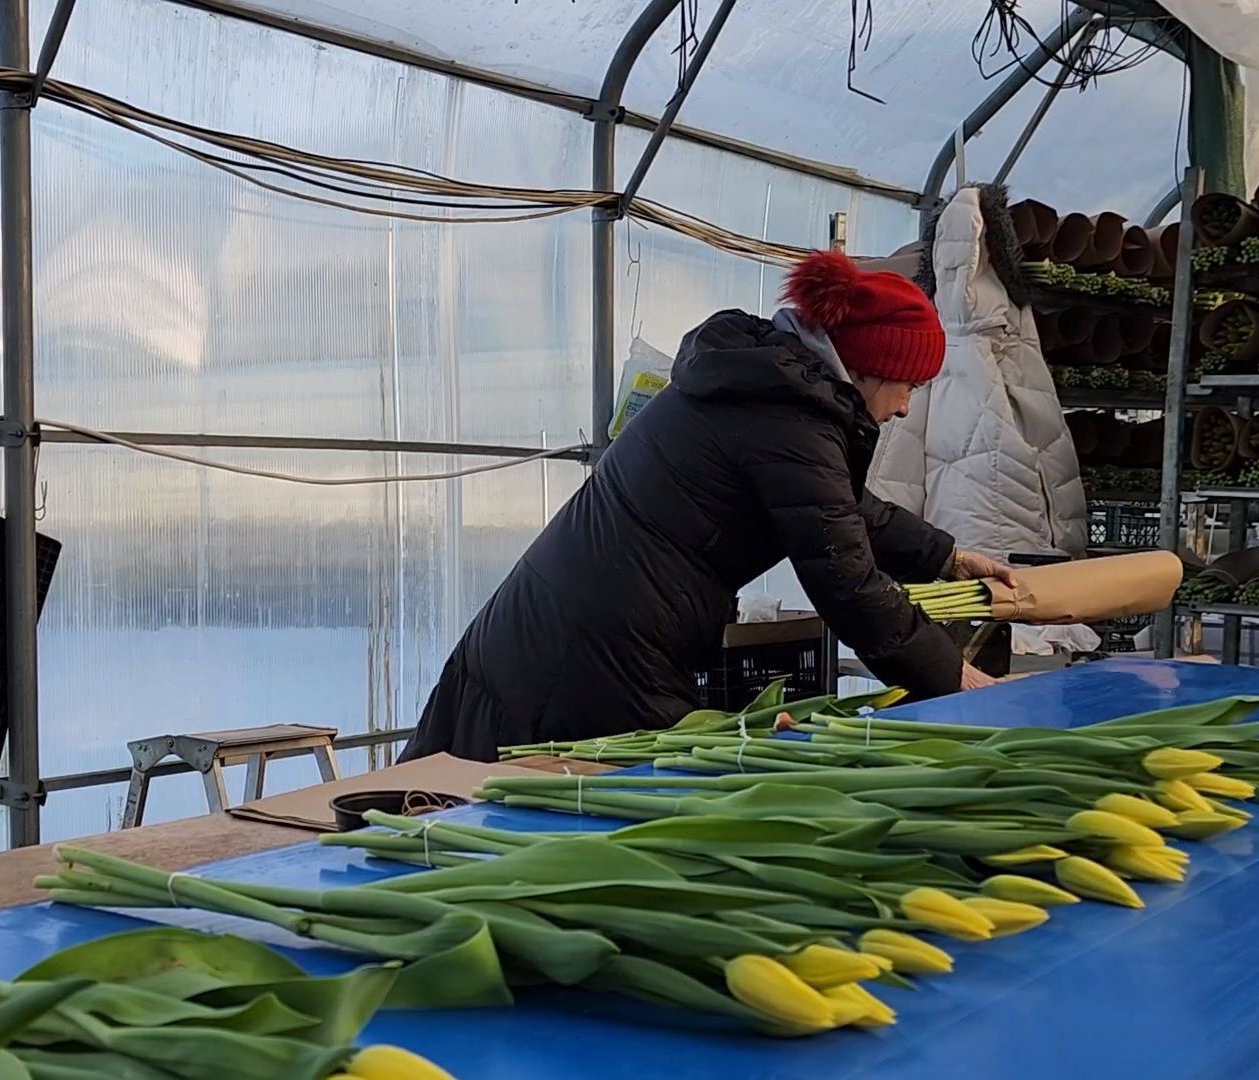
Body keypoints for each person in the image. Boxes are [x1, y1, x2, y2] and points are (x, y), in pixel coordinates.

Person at [400, 251, 1016, 763]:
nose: (906, 406)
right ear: (870, 368)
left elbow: (841, 507)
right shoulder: (791, 416)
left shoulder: (768, 382)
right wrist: (950, 675)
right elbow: (845, 579)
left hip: (568, 620)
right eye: (908, 385)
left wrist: (948, 557)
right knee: (572, 805)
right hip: (602, 645)